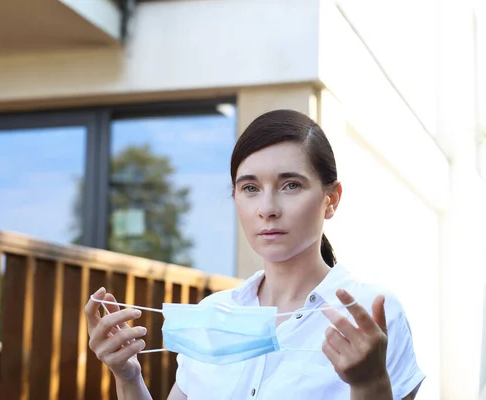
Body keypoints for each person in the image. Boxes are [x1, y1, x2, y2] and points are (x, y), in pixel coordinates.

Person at [84, 109, 425, 399]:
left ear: (331, 199)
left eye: (291, 184)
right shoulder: (212, 313)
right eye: (250, 188)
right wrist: (127, 377)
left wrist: (371, 384)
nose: (267, 208)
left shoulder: (371, 312)